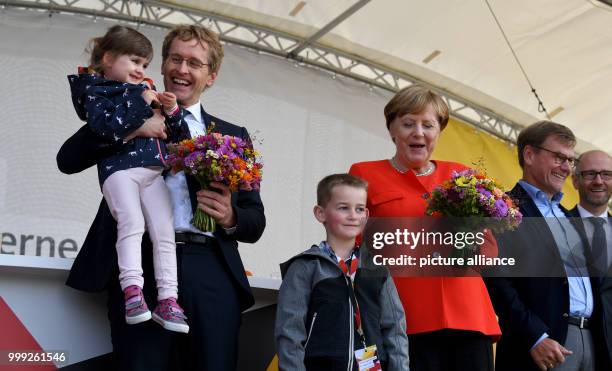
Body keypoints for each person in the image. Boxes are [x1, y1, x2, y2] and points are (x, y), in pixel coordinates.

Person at [57, 24, 266, 371]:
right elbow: (68, 159)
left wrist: (230, 216)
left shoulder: (233, 135)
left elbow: (255, 220)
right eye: (175, 59)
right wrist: (136, 127)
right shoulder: (129, 107)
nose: (182, 69)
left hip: (210, 270)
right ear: (164, 65)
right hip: (141, 266)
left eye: (194, 63)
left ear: (210, 76)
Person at [349, 85, 500, 371]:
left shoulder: (461, 175)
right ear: (392, 129)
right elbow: (351, 244)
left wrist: (464, 245)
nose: (418, 132)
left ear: (438, 132)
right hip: (405, 317)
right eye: (408, 123)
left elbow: (489, 250)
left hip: (468, 316)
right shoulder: (364, 173)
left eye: (428, 125)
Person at [67, 25, 188, 333]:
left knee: (163, 231)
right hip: (119, 171)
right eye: (134, 61)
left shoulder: (143, 92)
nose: (140, 70)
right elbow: (104, 125)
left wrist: (172, 112)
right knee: (132, 223)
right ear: (108, 58)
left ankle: (168, 299)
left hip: (151, 172)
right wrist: (141, 109)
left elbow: (178, 138)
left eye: (144, 65)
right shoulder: (94, 91)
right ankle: (132, 292)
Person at [485, 121, 600, 371]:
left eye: (570, 161)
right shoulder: (502, 208)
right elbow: (497, 282)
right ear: (529, 154)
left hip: (589, 341)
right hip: (544, 344)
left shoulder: (569, 217)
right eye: (559, 157)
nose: (566, 167)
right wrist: (535, 337)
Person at [275, 173, 409, 371]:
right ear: (321, 213)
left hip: (369, 365)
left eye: (360, 209)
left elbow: (395, 328)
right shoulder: (306, 267)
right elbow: (289, 332)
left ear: (367, 216)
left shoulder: (377, 269)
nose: (353, 215)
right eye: (343, 208)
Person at [569, 150, 612, 369]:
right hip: (569, 347)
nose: (599, 181)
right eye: (590, 174)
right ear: (575, 180)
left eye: (606, 174)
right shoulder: (556, 225)